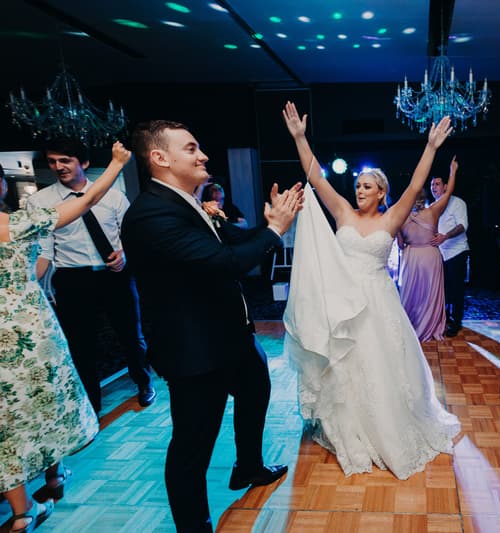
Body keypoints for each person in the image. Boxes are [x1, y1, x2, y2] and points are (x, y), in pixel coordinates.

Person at [121, 120, 302, 533]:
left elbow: (238, 241)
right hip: (195, 350)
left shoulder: (188, 204)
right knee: (192, 446)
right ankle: (194, 526)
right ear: (160, 158)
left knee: (256, 388)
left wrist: (269, 221)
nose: (202, 155)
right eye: (191, 148)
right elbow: (226, 263)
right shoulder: (150, 215)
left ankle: (248, 466)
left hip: (230, 336)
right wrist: (277, 230)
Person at [281, 102, 461, 480]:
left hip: (378, 303)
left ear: (381, 192)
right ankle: (346, 424)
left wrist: (430, 147)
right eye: (358, 185)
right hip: (342, 300)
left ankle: (384, 424)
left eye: (367, 186)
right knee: (345, 364)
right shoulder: (343, 212)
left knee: (380, 364)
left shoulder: (393, 217)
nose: (359, 190)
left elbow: (415, 185)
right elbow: (316, 176)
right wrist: (299, 137)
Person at [1, 143, 129, 533]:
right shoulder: (18, 223)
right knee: (46, 400)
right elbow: (88, 198)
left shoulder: (24, 219)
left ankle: (21, 513)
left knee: (5, 421)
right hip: (27, 328)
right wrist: (118, 163)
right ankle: (53, 479)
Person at [26, 138, 155, 412]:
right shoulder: (40, 201)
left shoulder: (112, 195)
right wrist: (27, 284)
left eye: (65, 160)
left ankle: (144, 383)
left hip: (115, 276)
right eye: (52, 162)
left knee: (132, 335)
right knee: (81, 345)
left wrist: (124, 254)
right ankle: (91, 406)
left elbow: (132, 234)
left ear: (83, 162)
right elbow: (44, 251)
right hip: (73, 280)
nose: (58, 167)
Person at [397, 157, 458, 342]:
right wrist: (453, 172)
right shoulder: (433, 211)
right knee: (430, 295)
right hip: (430, 255)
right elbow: (448, 194)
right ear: (424, 198)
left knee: (411, 294)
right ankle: (430, 327)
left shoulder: (400, 216)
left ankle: (411, 327)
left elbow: (400, 245)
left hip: (411, 256)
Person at [430, 166, 469, 337]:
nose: (434, 187)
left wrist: (445, 236)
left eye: (437, 184)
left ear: (446, 186)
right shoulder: (431, 206)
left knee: (457, 289)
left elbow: (462, 226)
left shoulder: (458, 202)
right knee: (443, 289)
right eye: (432, 185)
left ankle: (456, 322)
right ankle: (444, 319)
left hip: (457, 251)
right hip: (440, 254)